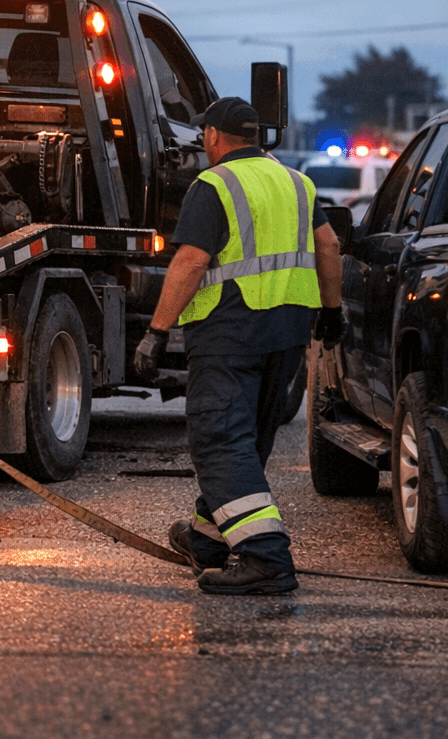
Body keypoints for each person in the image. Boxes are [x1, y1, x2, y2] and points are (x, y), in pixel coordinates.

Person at [133, 98, 342, 595]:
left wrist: (157, 331)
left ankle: (265, 557)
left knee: (221, 441)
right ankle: (208, 538)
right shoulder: (298, 182)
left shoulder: (214, 185)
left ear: (212, 137)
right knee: (247, 440)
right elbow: (329, 246)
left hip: (230, 329)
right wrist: (332, 313)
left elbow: (190, 261)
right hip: (288, 331)